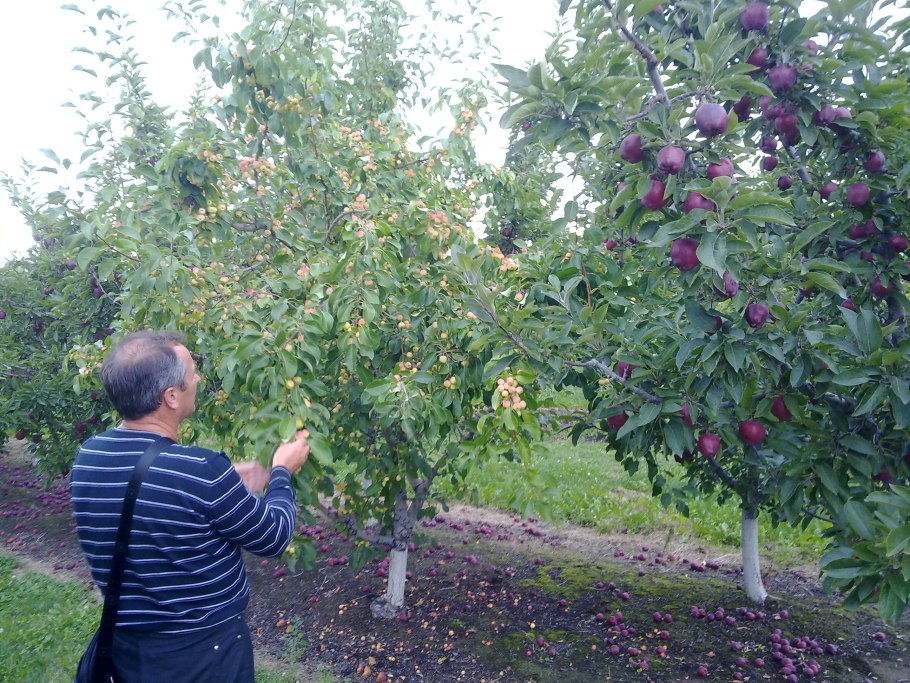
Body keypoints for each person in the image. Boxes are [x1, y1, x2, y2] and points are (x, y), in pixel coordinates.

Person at [70, 330, 310, 683]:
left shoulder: (89, 456)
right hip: (203, 655)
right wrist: (282, 472)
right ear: (170, 396)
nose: (197, 379)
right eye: (191, 373)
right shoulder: (200, 471)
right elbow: (273, 536)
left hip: (128, 648)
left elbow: (157, 493)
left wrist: (226, 479)